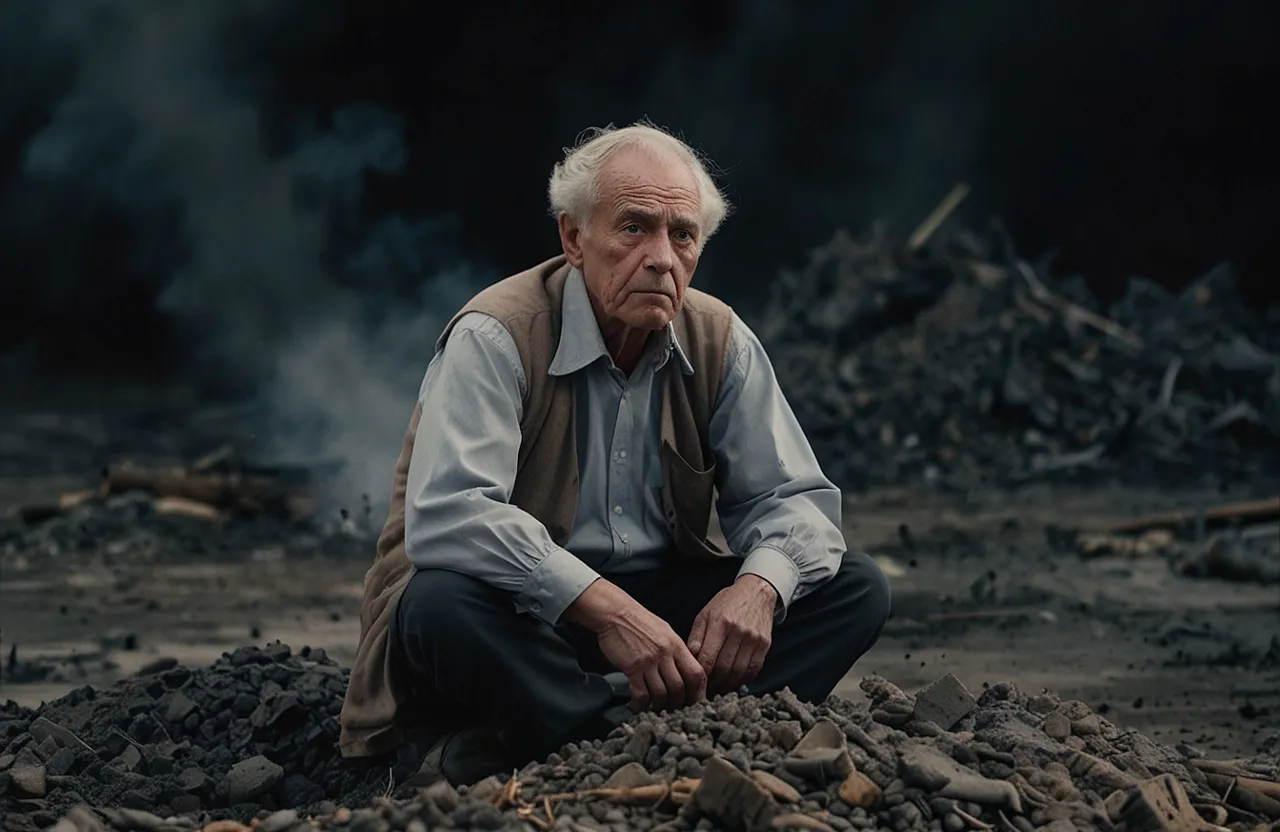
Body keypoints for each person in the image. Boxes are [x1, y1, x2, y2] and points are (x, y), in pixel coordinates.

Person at [338, 120, 891, 786]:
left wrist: (757, 588)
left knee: (852, 586)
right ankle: (662, 738)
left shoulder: (719, 339)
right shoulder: (497, 333)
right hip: (526, 611)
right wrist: (610, 610)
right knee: (437, 604)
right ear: (574, 238)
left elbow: (793, 500)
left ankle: (564, 731)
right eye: (634, 228)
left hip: (657, 620)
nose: (661, 257)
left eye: (682, 235)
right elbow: (450, 515)